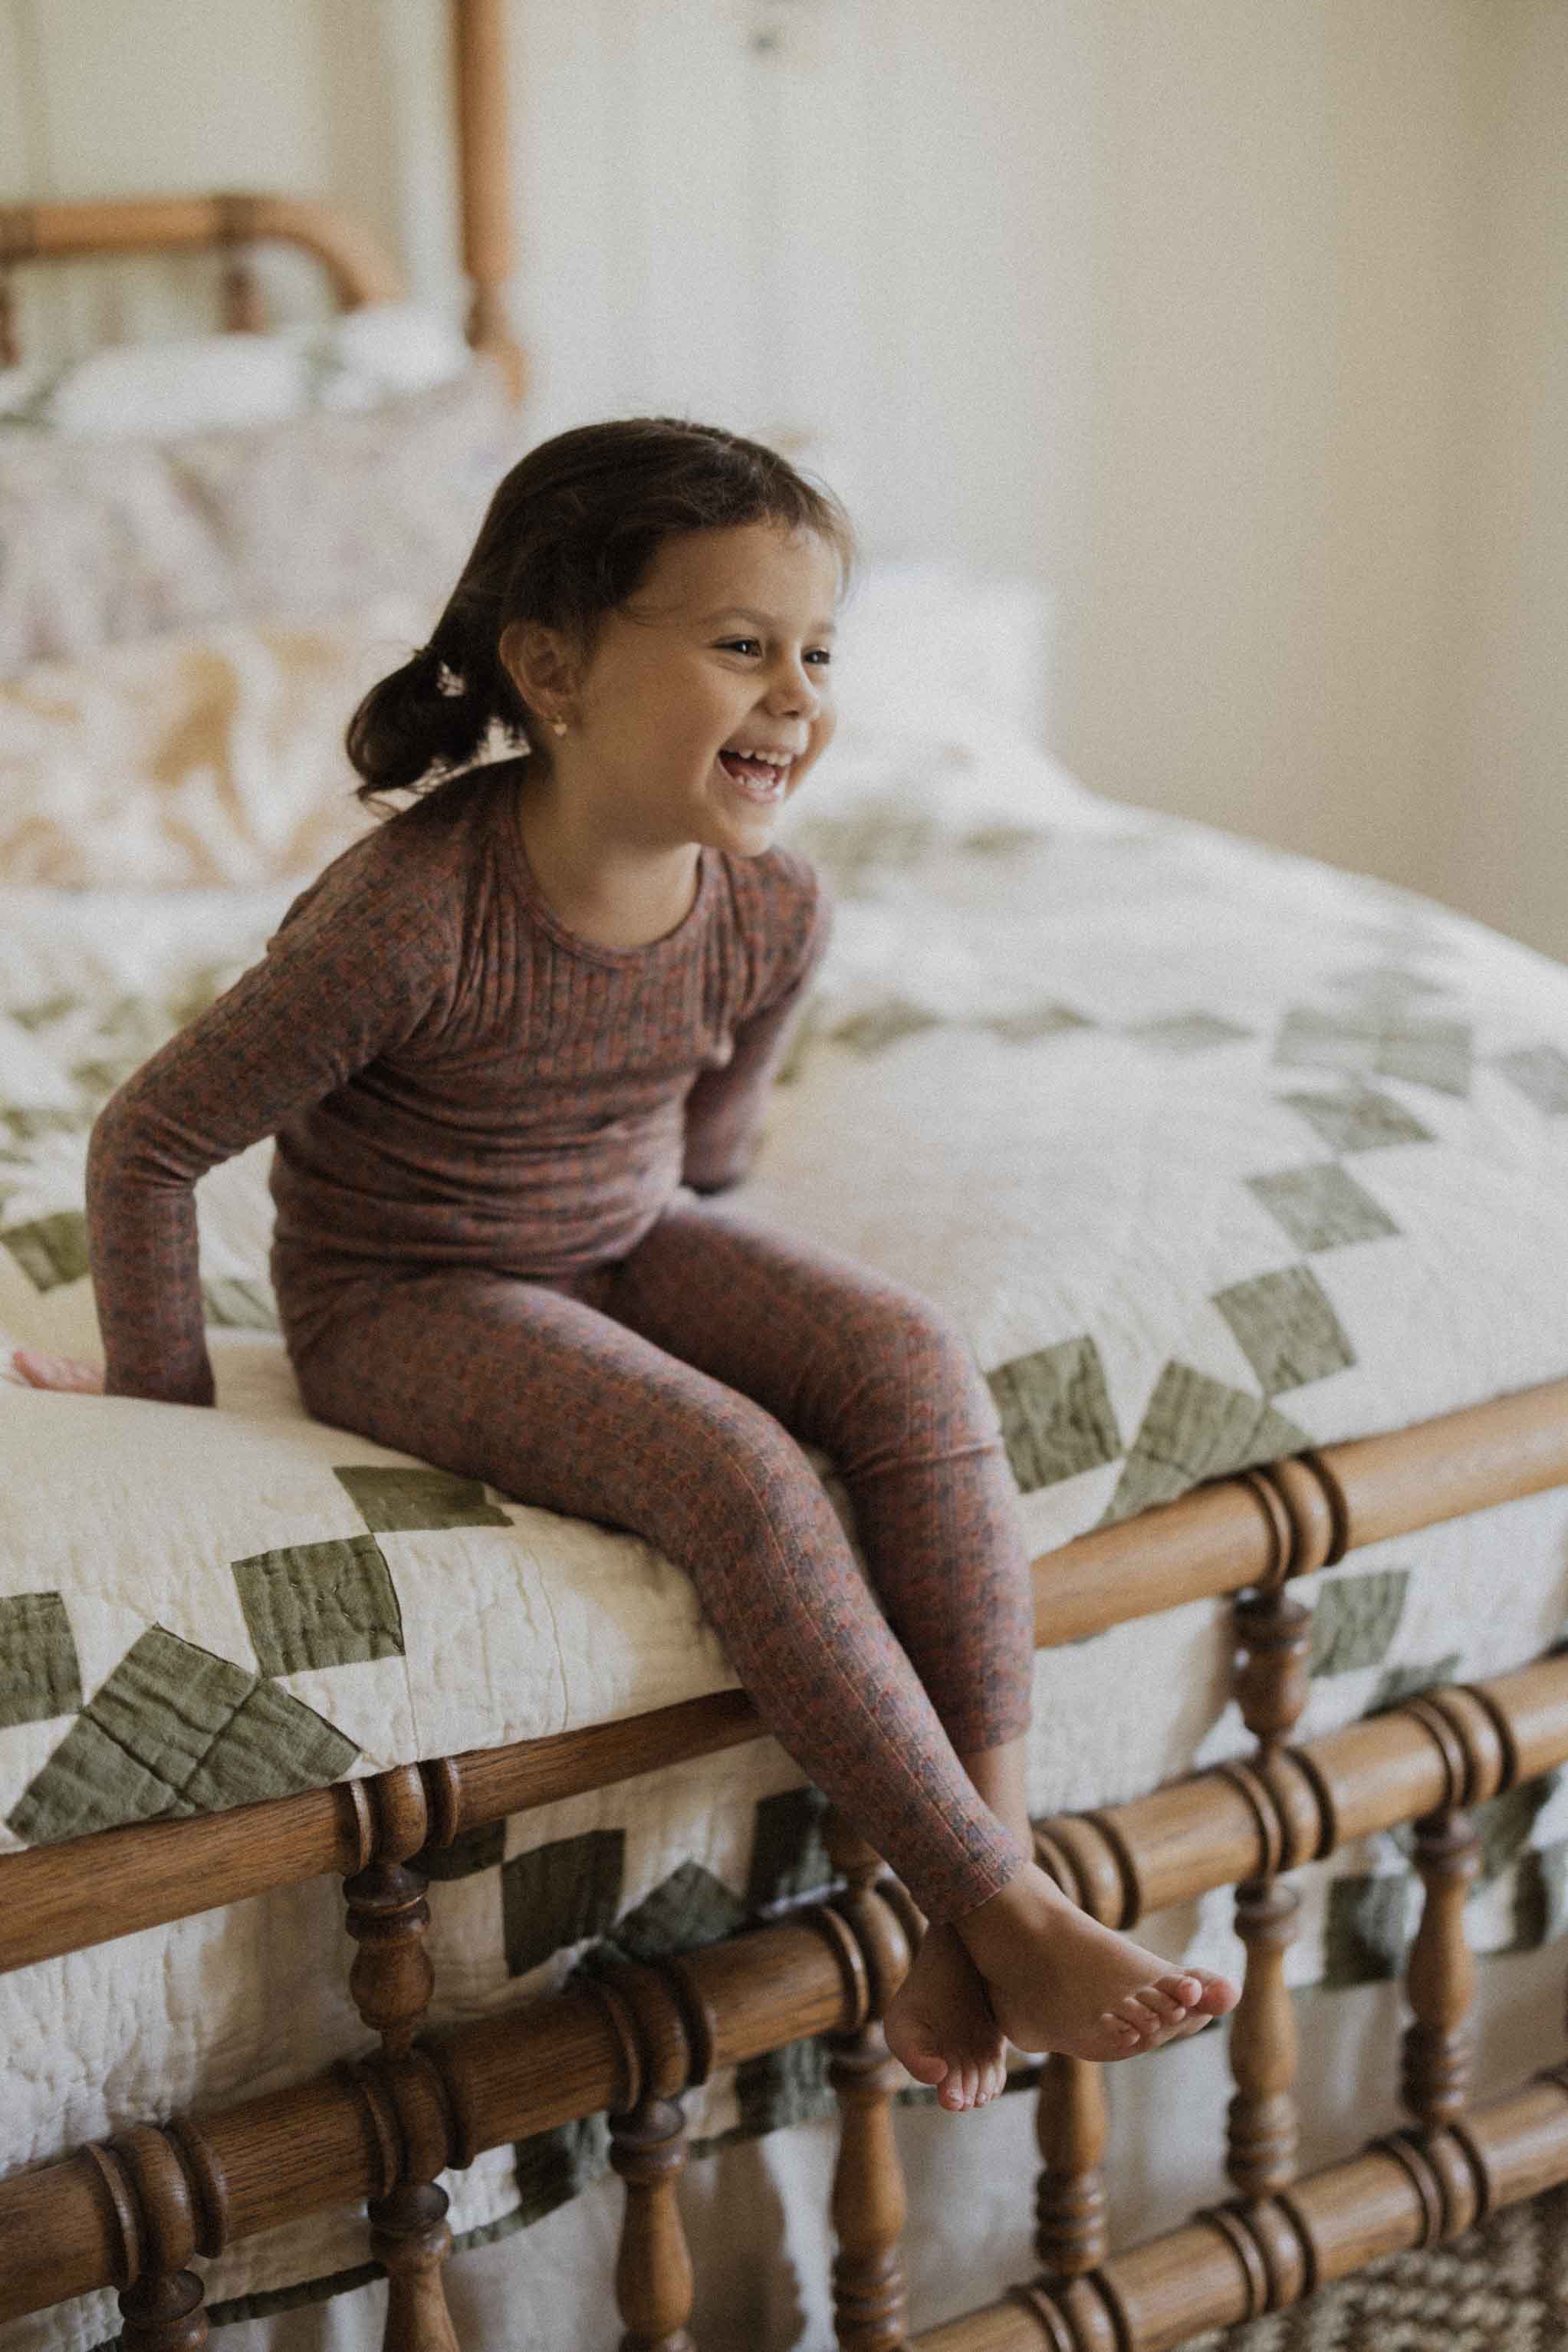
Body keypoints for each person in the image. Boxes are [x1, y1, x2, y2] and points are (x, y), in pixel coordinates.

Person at [13, 416, 1238, 2113]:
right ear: (553, 665)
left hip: (623, 1232)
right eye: (741, 646)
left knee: (908, 1362)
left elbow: (712, 1139)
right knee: (735, 1468)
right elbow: (151, 1138)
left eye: (817, 652)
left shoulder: (772, 907)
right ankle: (1002, 1901)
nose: (798, 695)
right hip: (406, 1296)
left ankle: (987, 1879)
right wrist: (160, 1383)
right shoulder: (409, 918)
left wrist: (732, 1278)